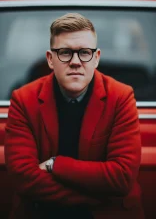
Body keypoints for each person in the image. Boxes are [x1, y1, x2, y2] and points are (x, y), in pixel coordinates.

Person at [4, 13, 144, 219]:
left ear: (96, 59)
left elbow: (121, 177)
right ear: (50, 60)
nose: (76, 62)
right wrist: (95, 196)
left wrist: (56, 164)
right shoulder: (23, 100)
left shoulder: (121, 97)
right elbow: (23, 178)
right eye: (65, 53)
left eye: (85, 53)